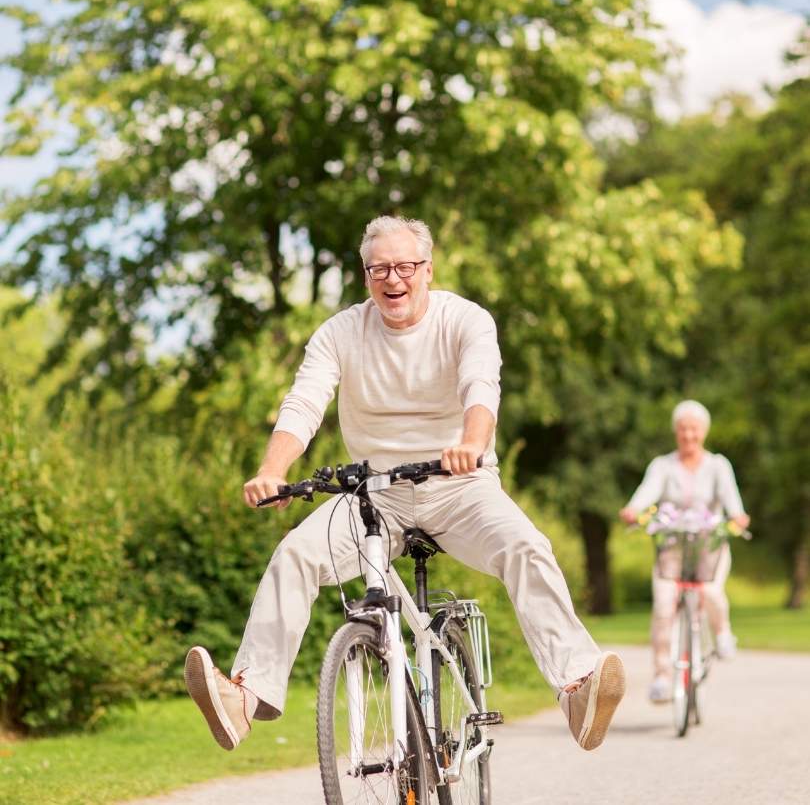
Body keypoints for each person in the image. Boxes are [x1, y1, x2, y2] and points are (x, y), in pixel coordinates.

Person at [184, 215, 626, 754]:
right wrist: (272, 470)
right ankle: (245, 698)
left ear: (427, 270)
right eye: (379, 270)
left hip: (460, 485)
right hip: (374, 494)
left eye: (404, 267)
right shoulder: (341, 331)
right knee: (295, 554)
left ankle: (577, 687)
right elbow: (304, 403)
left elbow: (480, 387)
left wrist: (471, 442)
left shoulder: (465, 320)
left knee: (526, 546)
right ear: (365, 275)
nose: (393, 279)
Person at [619, 400, 750, 703]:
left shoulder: (718, 465)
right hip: (672, 548)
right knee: (664, 606)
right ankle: (663, 676)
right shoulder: (663, 466)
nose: (688, 435)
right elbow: (646, 492)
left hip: (709, 546)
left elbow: (732, 501)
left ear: (703, 432)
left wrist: (738, 516)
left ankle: (722, 633)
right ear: (676, 432)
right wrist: (633, 509)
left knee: (711, 591)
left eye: (694, 429)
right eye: (683, 429)